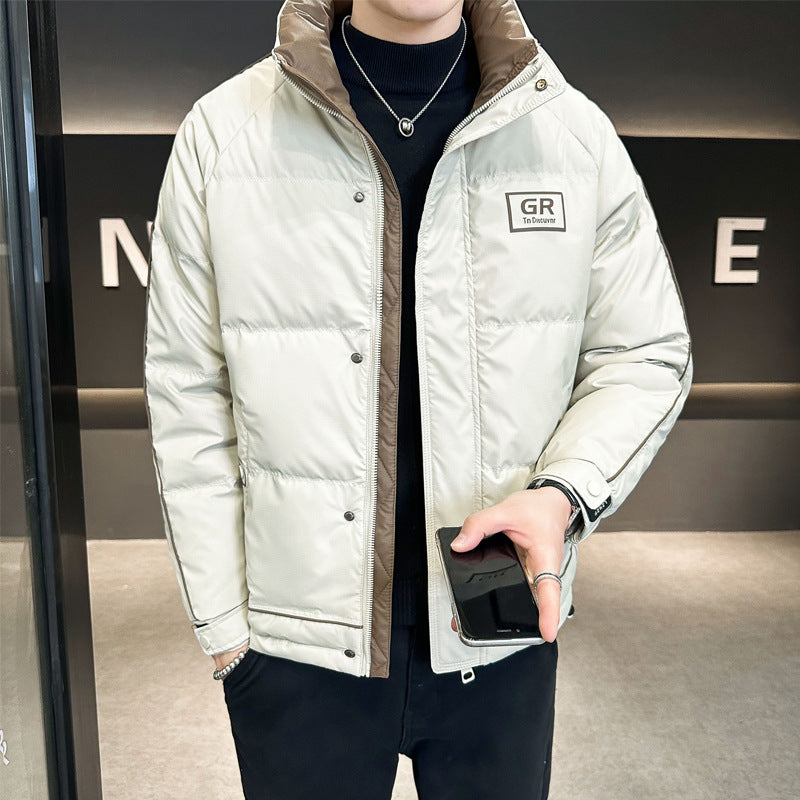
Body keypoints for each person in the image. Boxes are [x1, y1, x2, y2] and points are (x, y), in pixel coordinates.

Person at [143, 0, 693, 797]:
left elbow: (645, 353)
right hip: (296, 653)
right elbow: (188, 391)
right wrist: (227, 633)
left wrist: (561, 496)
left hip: (498, 624)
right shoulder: (226, 134)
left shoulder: (570, 137)